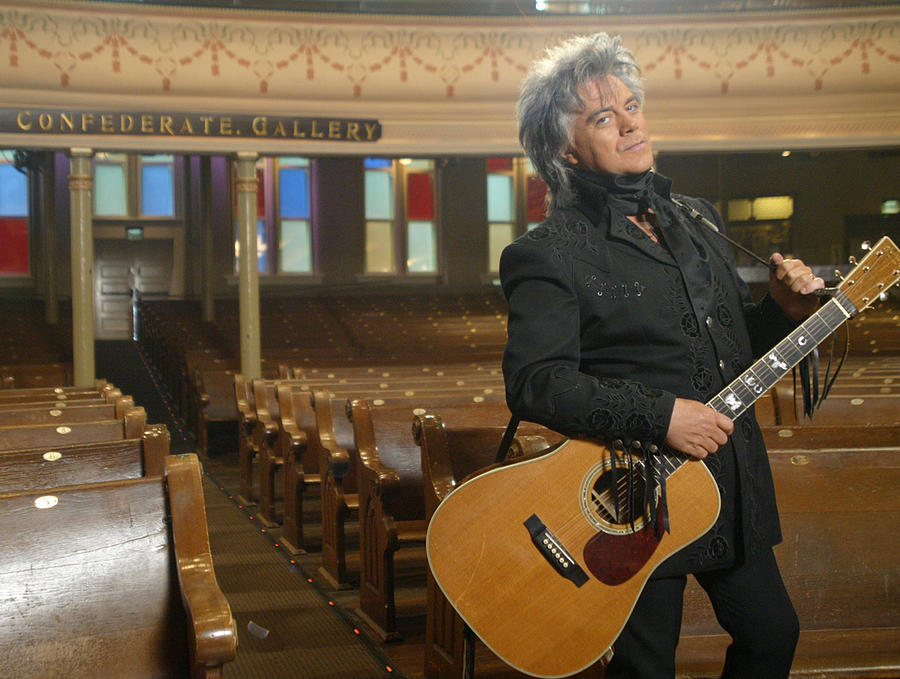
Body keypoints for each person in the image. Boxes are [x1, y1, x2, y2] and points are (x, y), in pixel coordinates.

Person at [501, 32, 823, 679]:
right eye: (602, 116)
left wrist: (781, 314)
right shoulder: (549, 249)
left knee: (773, 634)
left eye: (632, 105)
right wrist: (662, 415)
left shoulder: (697, 217)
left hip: (727, 482)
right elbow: (537, 383)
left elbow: (729, 346)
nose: (629, 123)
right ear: (565, 147)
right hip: (632, 497)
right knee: (647, 668)